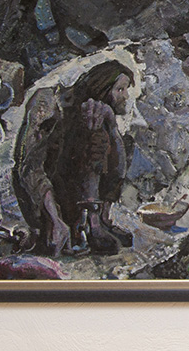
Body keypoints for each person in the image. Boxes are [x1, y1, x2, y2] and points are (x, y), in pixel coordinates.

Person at [13, 61, 135, 256]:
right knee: (94, 137)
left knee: (120, 141)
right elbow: (30, 167)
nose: (125, 96)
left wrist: (112, 125)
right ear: (101, 88)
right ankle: (85, 224)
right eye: (120, 89)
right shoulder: (50, 103)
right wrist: (54, 219)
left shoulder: (99, 112)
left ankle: (99, 219)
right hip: (45, 201)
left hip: (80, 196)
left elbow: (117, 169)